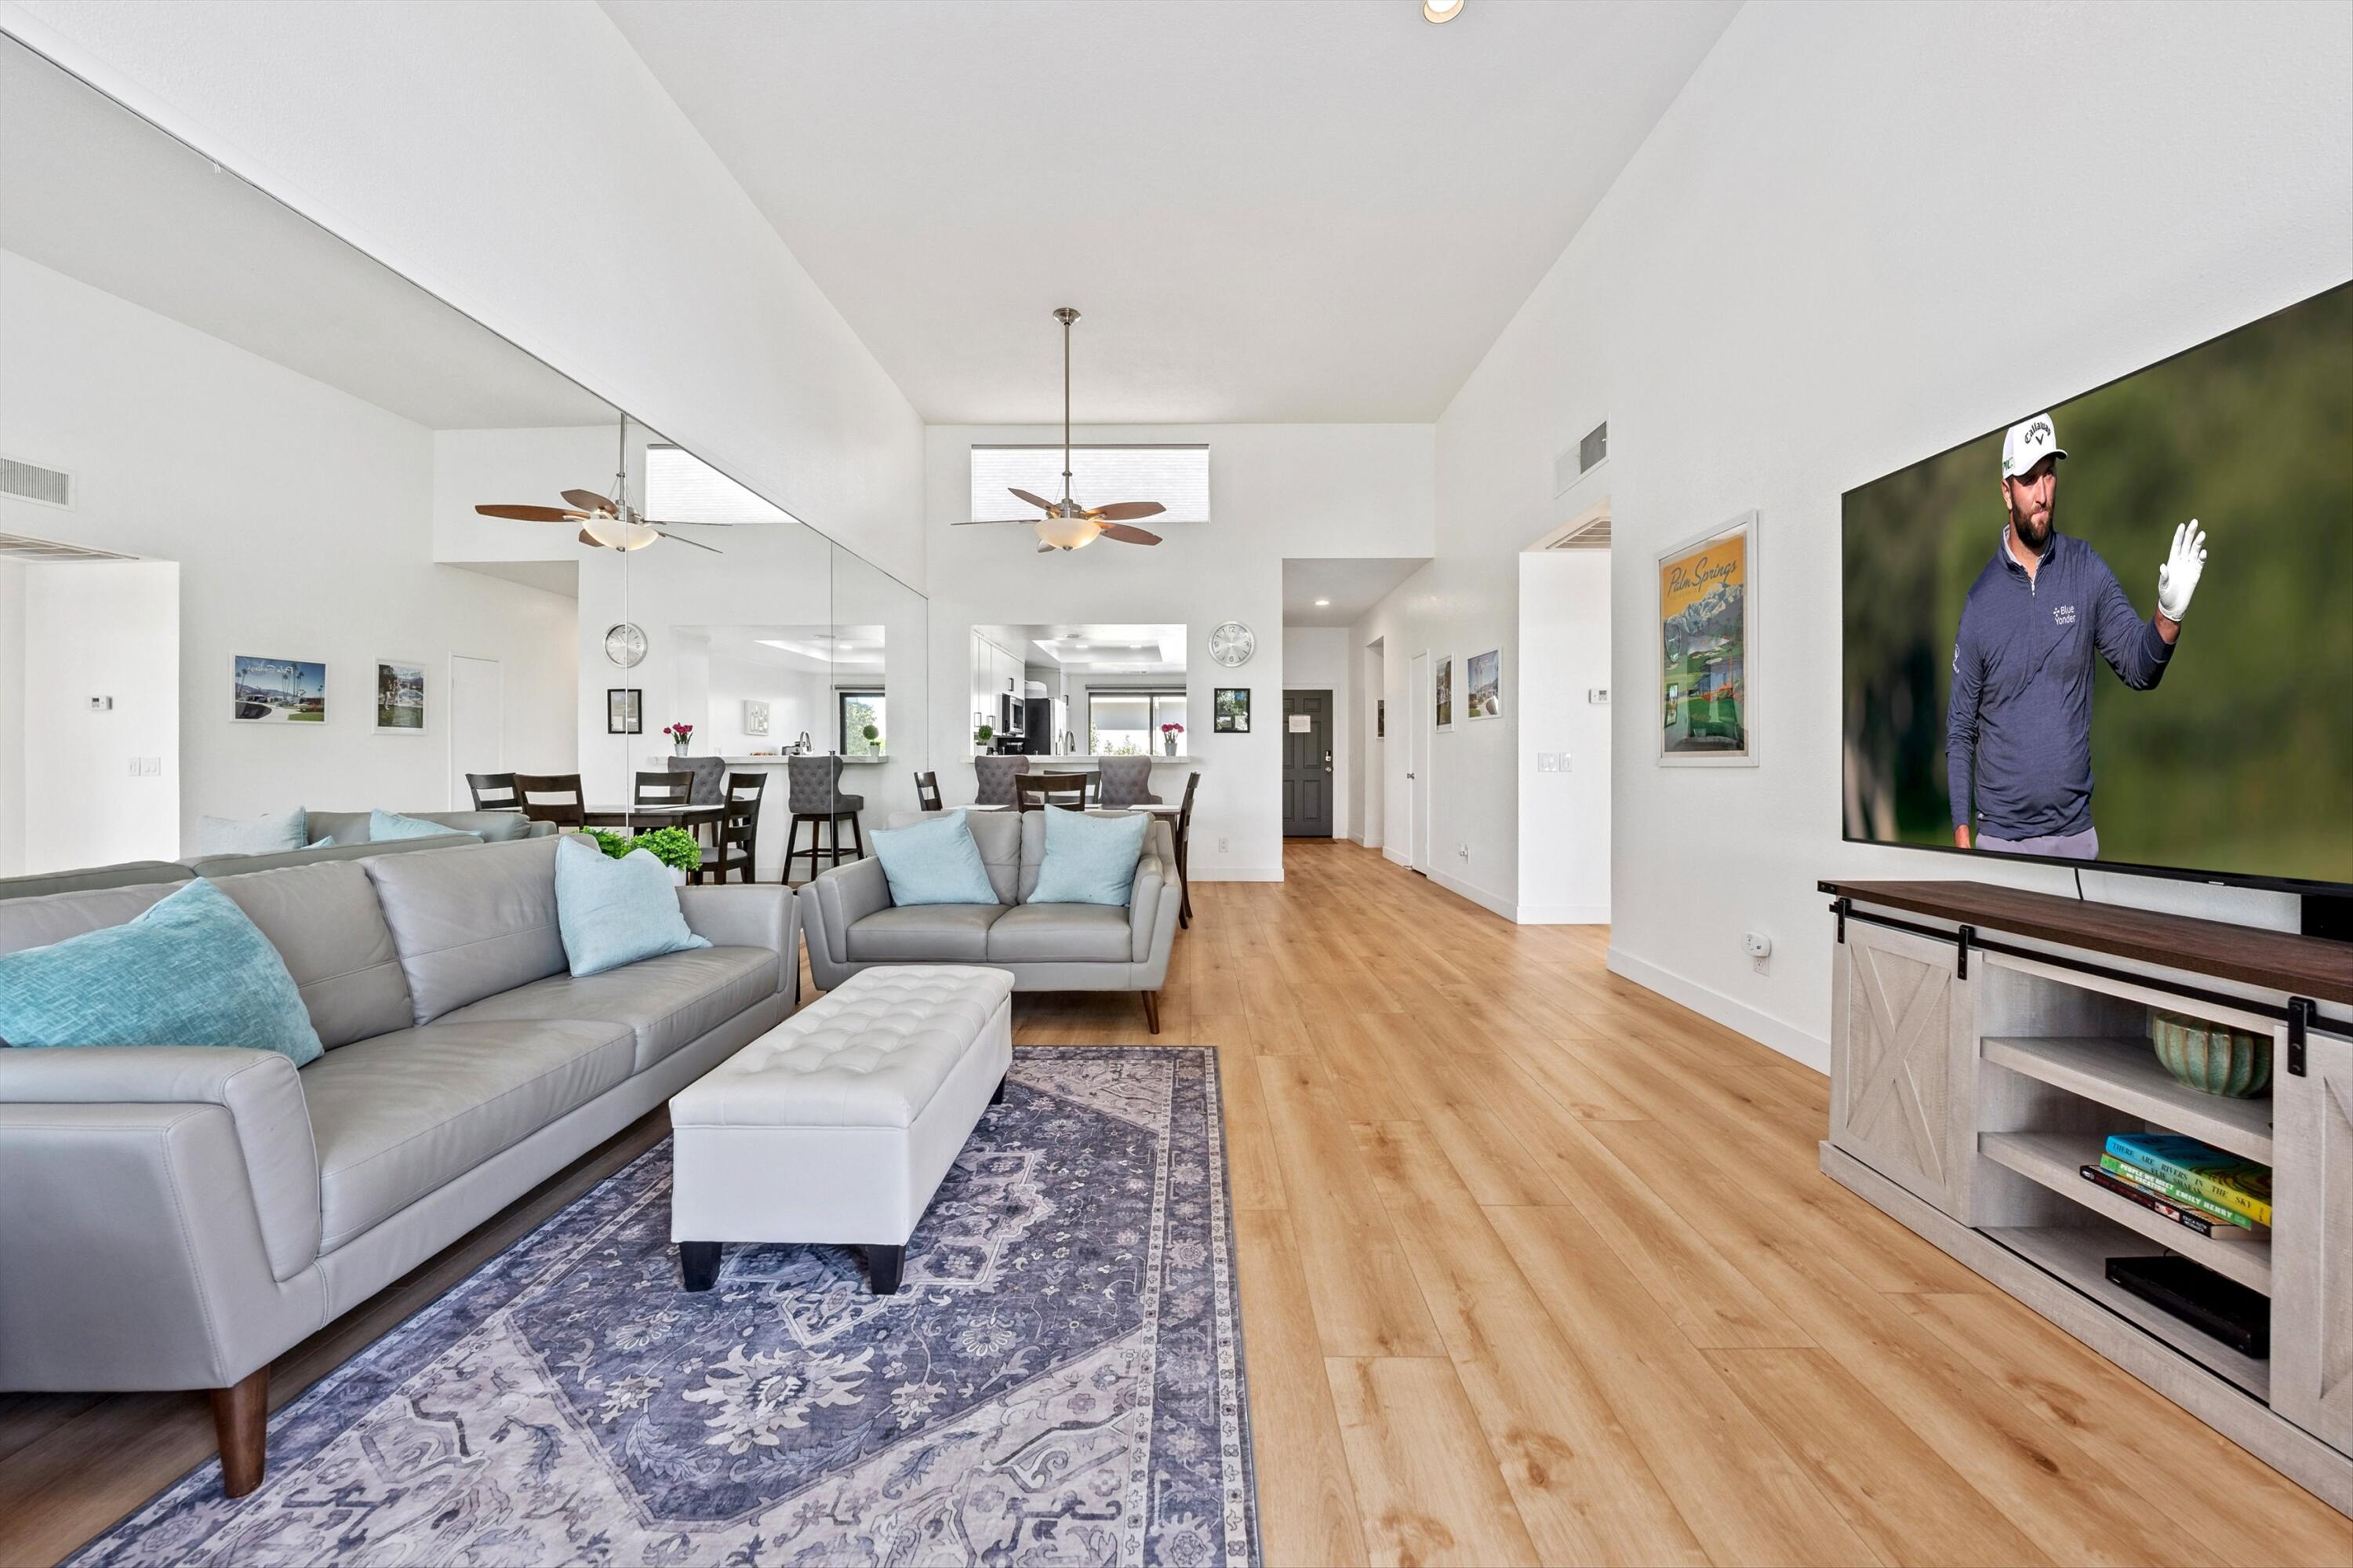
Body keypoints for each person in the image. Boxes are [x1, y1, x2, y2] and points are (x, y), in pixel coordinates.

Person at [1946, 413, 2208, 859]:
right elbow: (1960, 730)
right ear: (2006, 490)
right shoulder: (1980, 603)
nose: (2043, 495)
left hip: (2075, 841)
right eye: (2029, 480)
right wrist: (1963, 838)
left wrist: (2168, 615)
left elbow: (2139, 667)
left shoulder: (2086, 570)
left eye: (2049, 475)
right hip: (1999, 844)